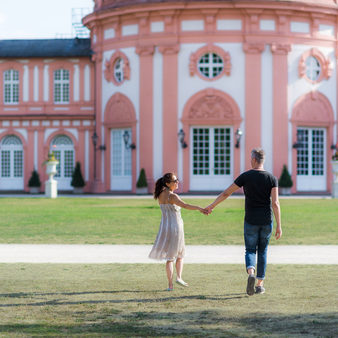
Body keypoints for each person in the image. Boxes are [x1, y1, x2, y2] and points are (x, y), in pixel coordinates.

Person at [205, 148, 282, 296]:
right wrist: (279, 225)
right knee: (263, 251)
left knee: (250, 249)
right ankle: (259, 285)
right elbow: (276, 203)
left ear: (254, 160)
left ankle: (251, 272)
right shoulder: (272, 178)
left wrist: (211, 206)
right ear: (263, 160)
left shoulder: (245, 176)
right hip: (266, 220)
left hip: (251, 220)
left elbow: (226, 192)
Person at [149, 172, 207, 291]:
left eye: (177, 180)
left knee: (170, 258)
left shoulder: (160, 194)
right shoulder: (172, 196)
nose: (177, 182)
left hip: (164, 227)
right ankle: (179, 277)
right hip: (175, 227)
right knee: (180, 254)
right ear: (167, 183)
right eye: (175, 181)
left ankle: (170, 285)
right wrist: (200, 208)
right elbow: (185, 205)